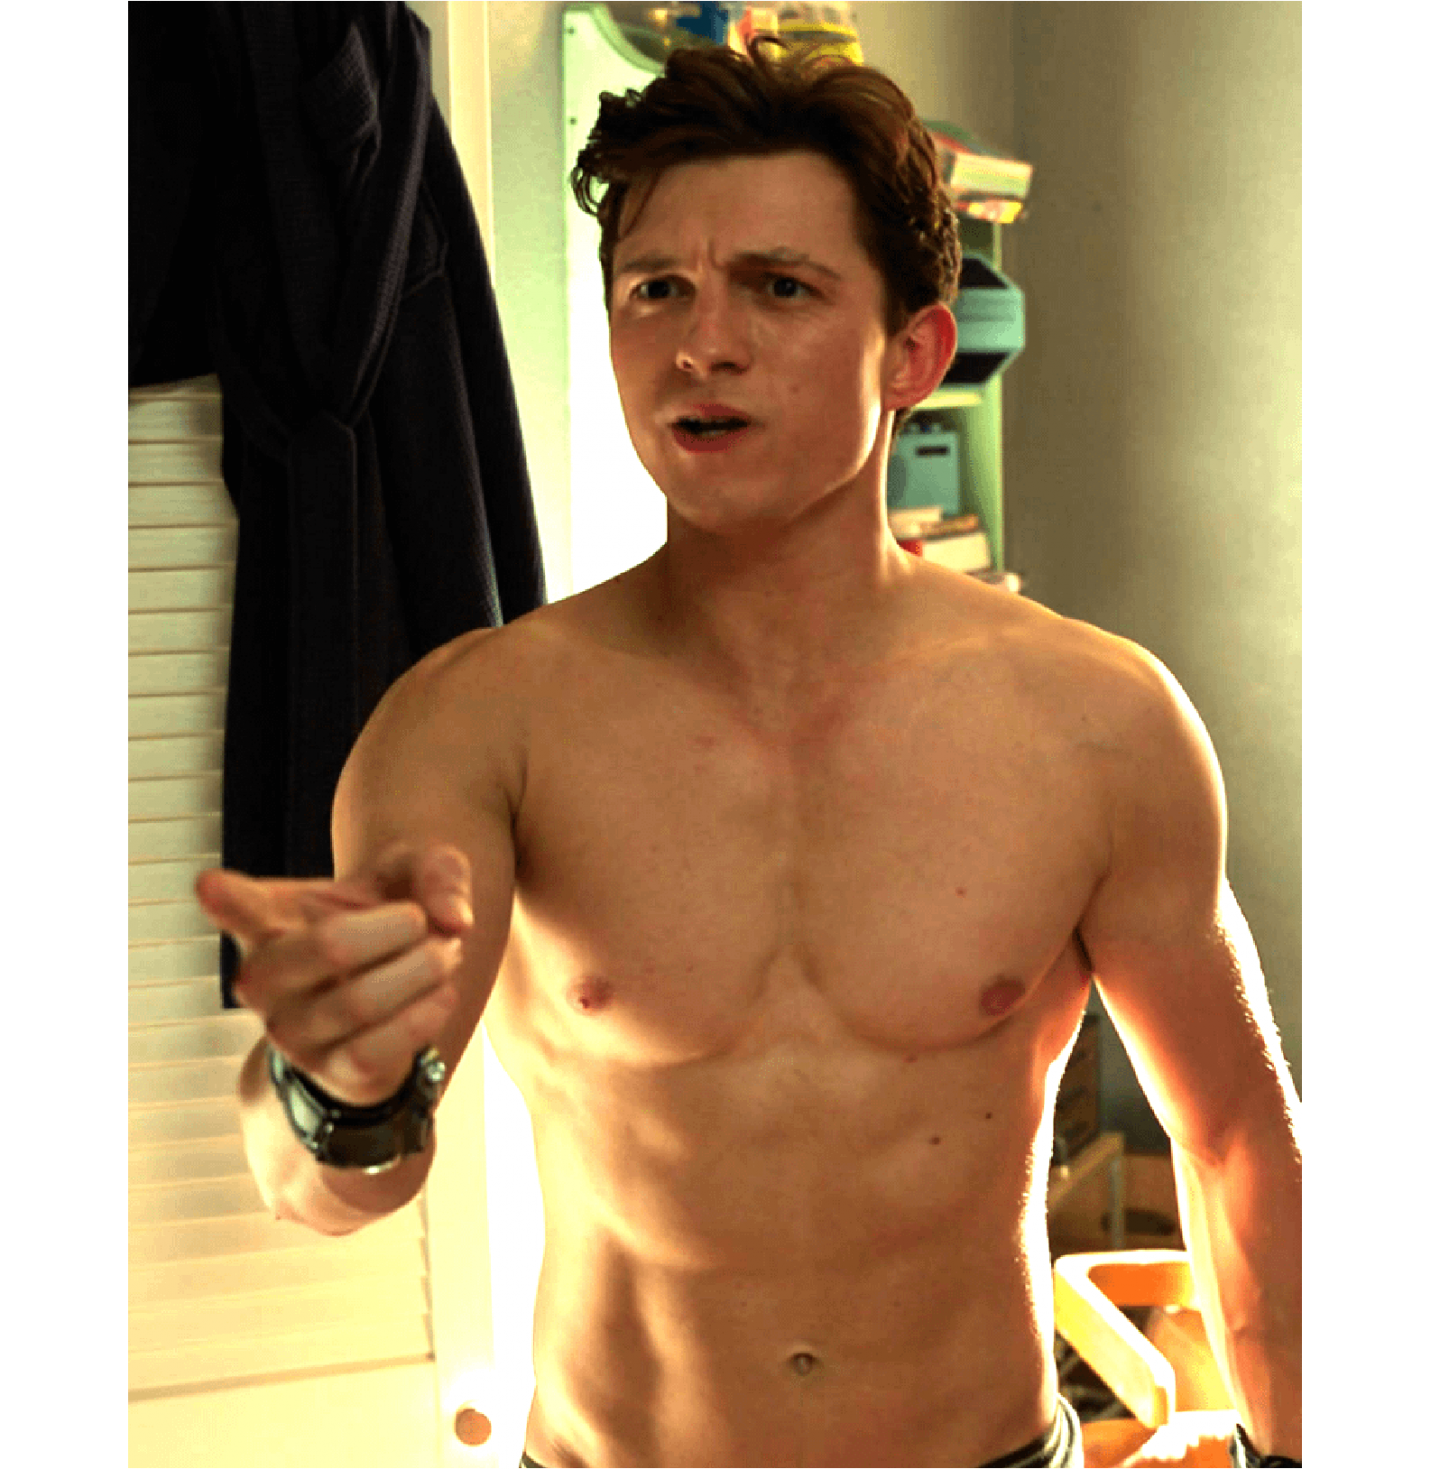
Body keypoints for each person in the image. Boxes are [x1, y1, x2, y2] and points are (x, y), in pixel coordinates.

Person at [196, 37, 1301, 1469]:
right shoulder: (473, 725)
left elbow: (1236, 1138)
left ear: (913, 354)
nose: (700, 345)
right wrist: (326, 1088)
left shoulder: (1100, 725)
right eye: (655, 289)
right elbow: (328, 1189)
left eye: (780, 288)